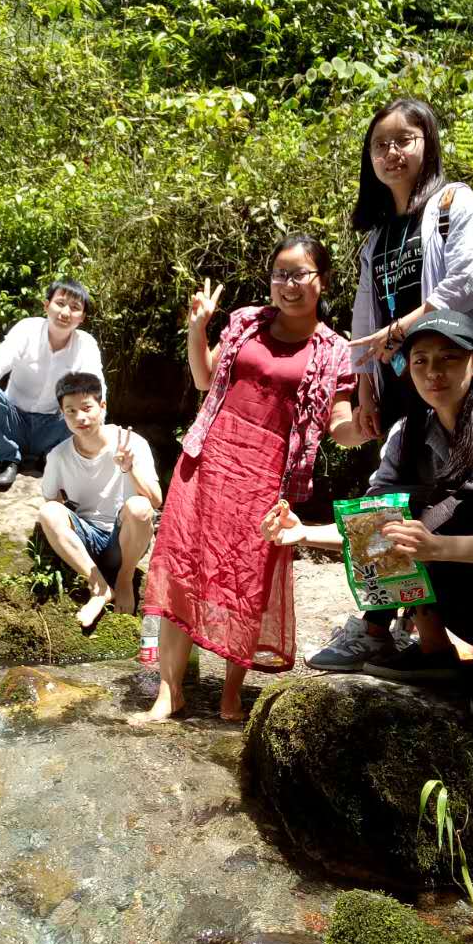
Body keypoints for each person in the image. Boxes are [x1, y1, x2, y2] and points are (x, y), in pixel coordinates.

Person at [261, 309, 473, 721]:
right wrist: (302, 533)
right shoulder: (406, 434)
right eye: (421, 361)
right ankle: (434, 649)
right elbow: (371, 525)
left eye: (448, 358)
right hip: (462, 607)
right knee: (392, 510)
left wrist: (436, 546)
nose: (434, 372)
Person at [130, 233, 366, 726]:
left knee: (246, 580)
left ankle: (231, 694)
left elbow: (340, 425)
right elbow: (204, 378)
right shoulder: (245, 322)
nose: (288, 284)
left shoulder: (334, 350)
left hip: (268, 474)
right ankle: (169, 693)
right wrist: (198, 329)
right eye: (280, 274)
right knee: (183, 569)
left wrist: (366, 427)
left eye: (300, 274)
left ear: (322, 280)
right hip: (209, 459)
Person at [311, 97, 473, 667]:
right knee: (388, 500)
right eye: (379, 145)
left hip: (449, 375)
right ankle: (387, 627)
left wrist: (402, 329)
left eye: (404, 140)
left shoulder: (456, 206)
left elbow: (470, 281)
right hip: (397, 383)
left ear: (427, 143)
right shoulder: (377, 236)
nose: (391, 153)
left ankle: (426, 630)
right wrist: (366, 386)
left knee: (452, 497)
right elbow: (365, 318)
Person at [0, 279, 104, 491]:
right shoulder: (27, 330)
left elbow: (96, 387)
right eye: (60, 303)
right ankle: (9, 456)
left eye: (74, 307)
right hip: (13, 419)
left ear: (82, 317)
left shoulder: (85, 344)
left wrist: (100, 432)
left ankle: (51, 456)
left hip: (53, 426)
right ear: (46, 305)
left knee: (86, 409)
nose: (65, 312)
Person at [38, 372, 162, 629]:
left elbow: (156, 501)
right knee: (49, 511)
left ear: (102, 406)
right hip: (87, 540)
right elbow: (53, 500)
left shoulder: (132, 443)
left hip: (125, 540)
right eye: (71, 411)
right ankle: (100, 587)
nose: (80, 418)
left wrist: (129, 468)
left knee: (139, 507)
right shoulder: (58, 456)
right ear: (62, 414)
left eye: (86, 408)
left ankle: (124, 580)